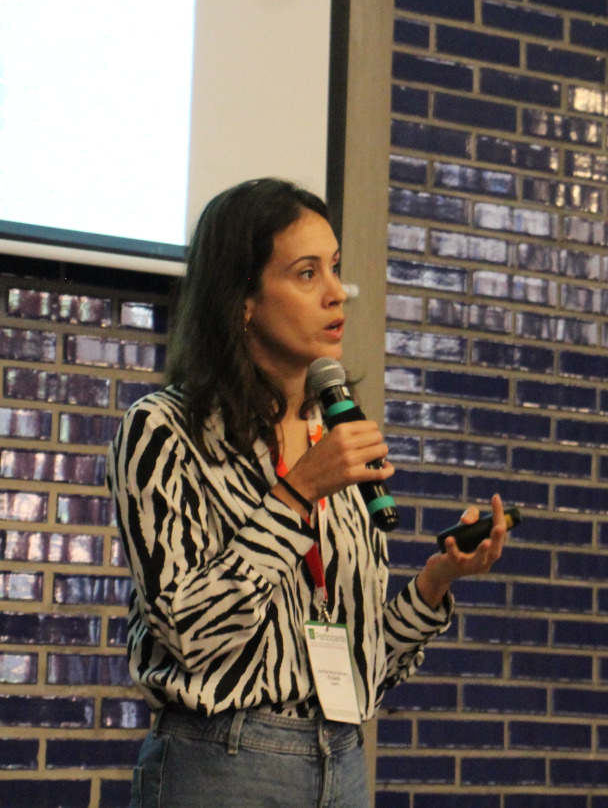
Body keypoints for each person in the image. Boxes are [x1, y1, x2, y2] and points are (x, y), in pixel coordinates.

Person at [109, 179, 510, 808]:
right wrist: (297, 494)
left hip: (342, 761)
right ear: (242, 300)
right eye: (306, 273)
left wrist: (435, 583)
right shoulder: (165, 430)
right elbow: (189, 634)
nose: (335, 292)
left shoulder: (337, 434)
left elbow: (361, 669)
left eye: (336, 268)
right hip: (225, 765)